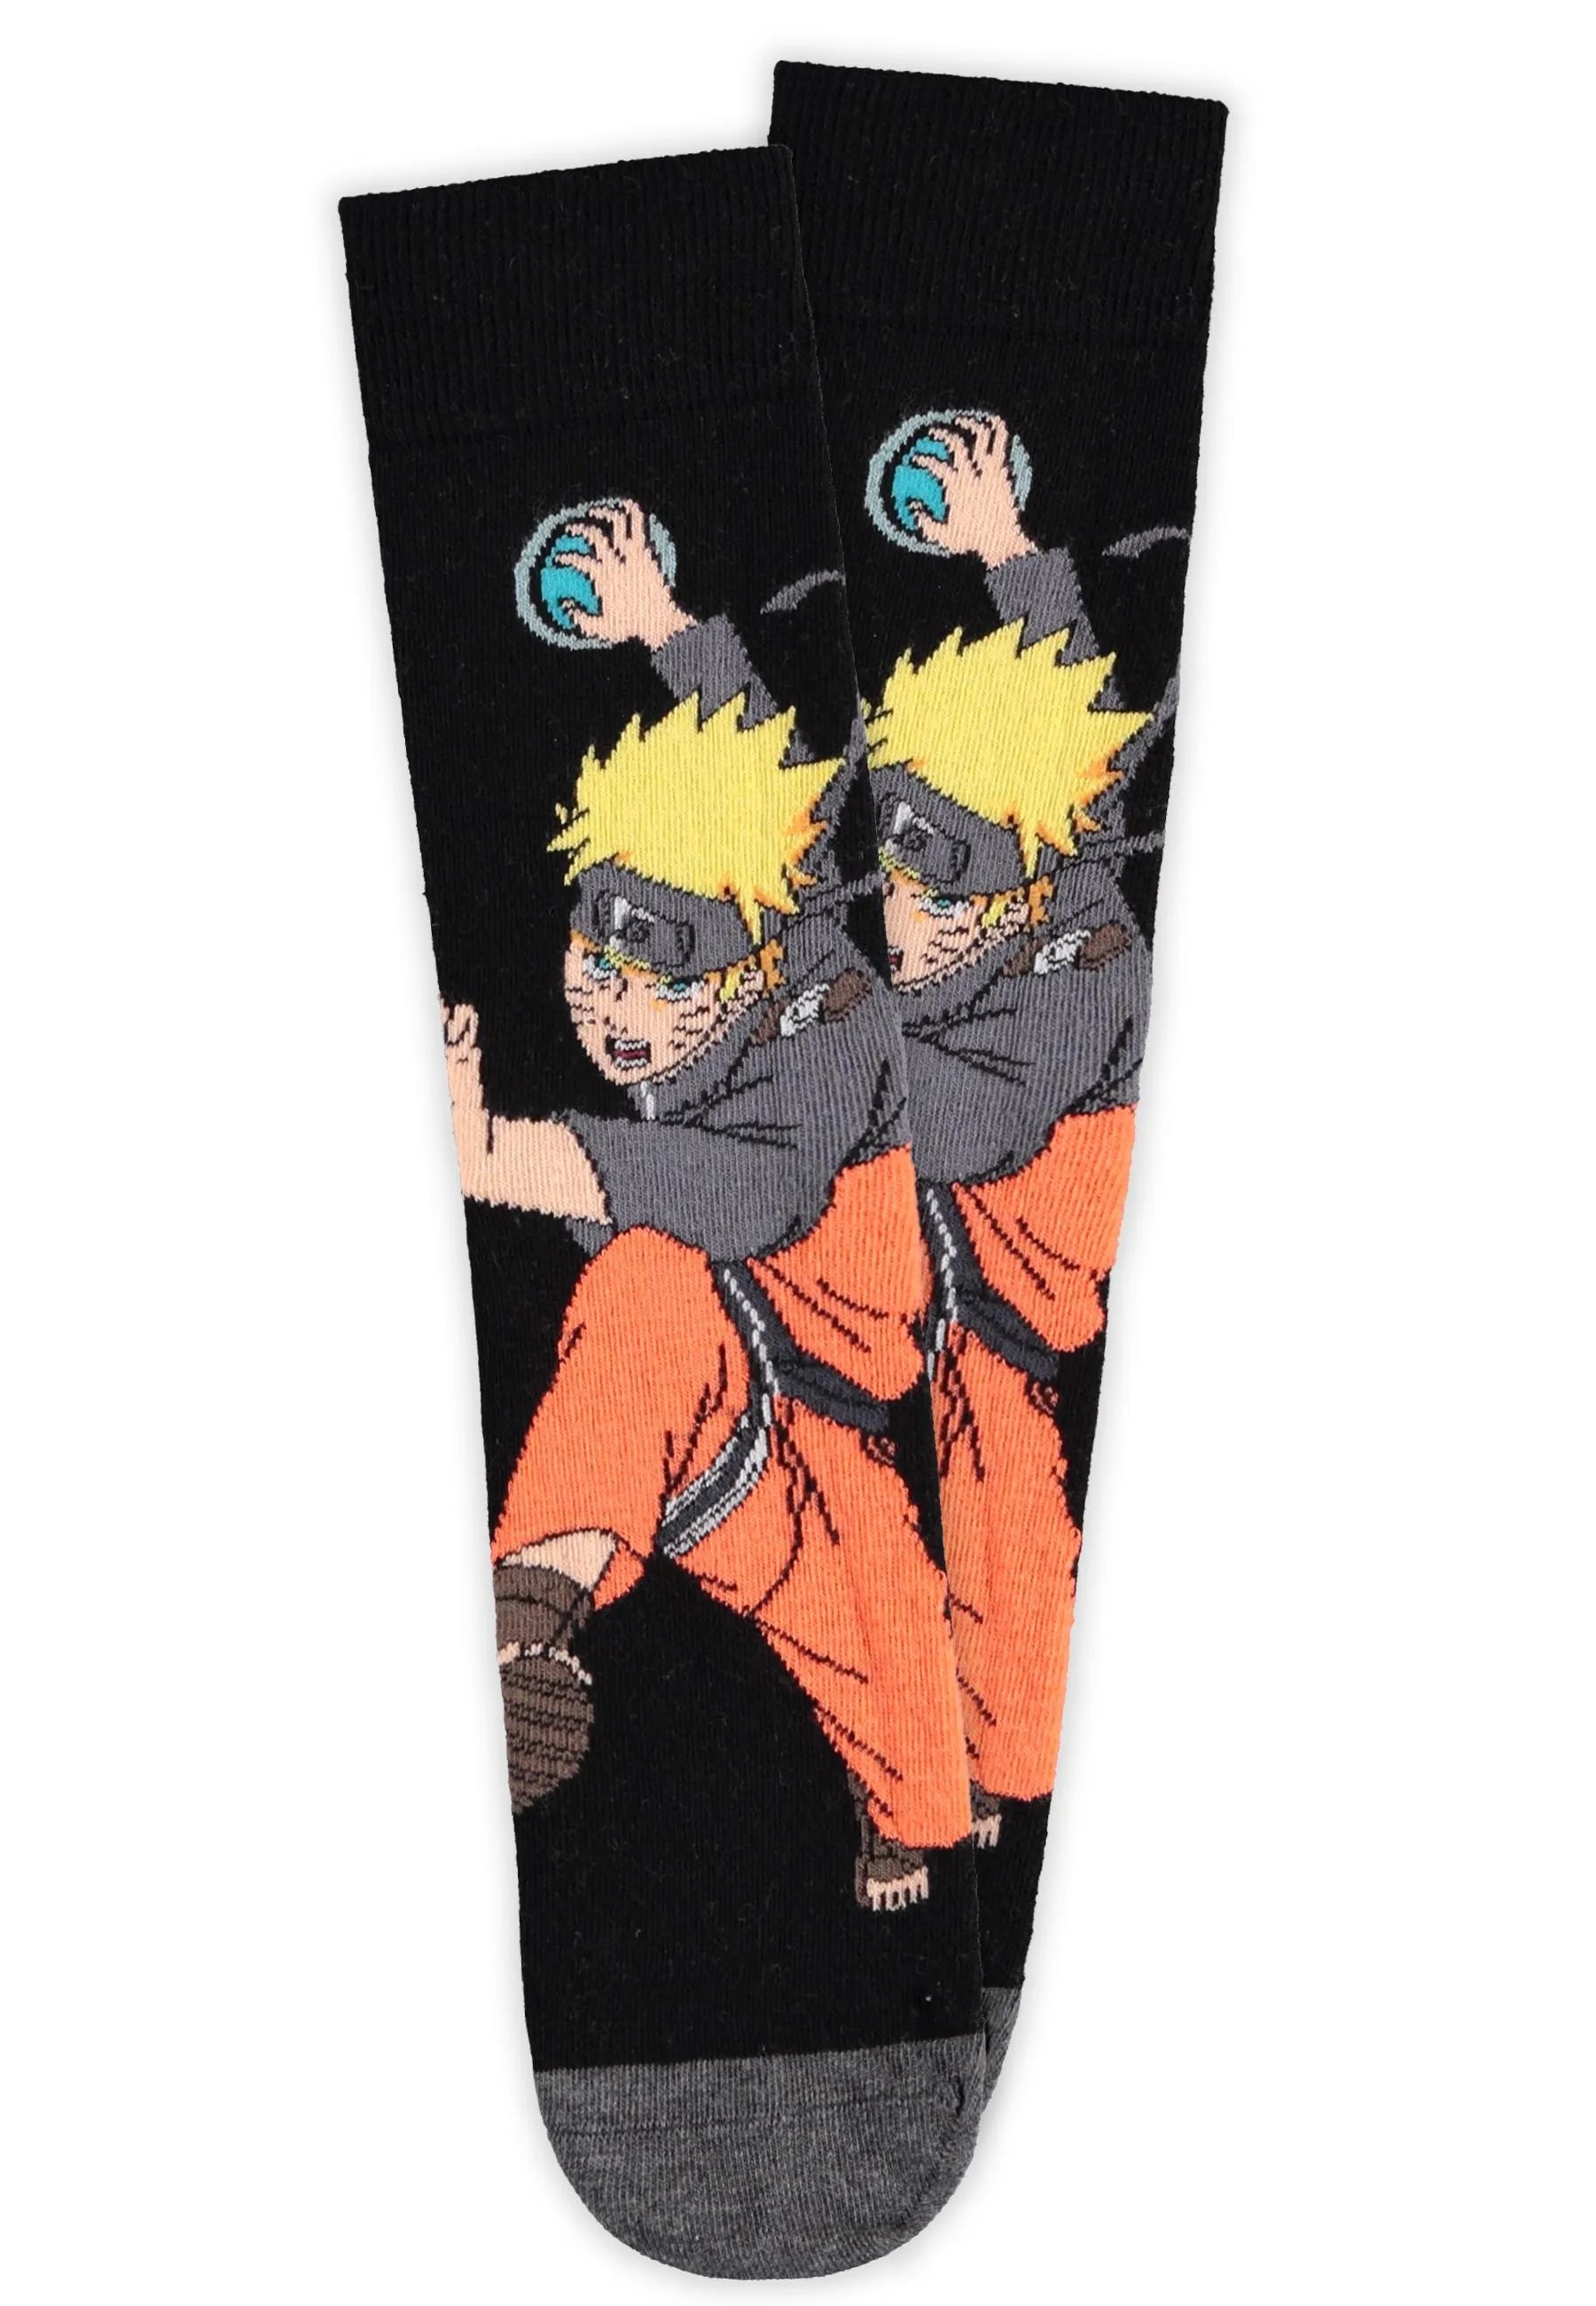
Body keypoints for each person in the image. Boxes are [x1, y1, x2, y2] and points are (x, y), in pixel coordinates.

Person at [448, 501, 971, 1909]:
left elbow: (754, 1189)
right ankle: (524, 1623)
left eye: (659, 980)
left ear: (748, 961)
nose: (614, 1013)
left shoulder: (832, 1010)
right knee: (640, 1289)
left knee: (912, 1728)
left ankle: (914, 1815)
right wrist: (663, 628)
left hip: (831, 1404)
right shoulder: (739, 920)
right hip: (704, 1401)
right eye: (596, 966)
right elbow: (754, 764)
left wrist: (505, 1155)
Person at [864, 419, 1154, 1838]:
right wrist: (1004, 547)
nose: (904, 908)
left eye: (940, 883)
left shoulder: (1084, 962)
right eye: (895, 864)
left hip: (1025, 1257)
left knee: (999, 1487)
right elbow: (1067, 722)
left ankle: (993, 1759)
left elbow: (968, 1125)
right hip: (960, 1254)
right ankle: (969, 1755)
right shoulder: (1030, 867)